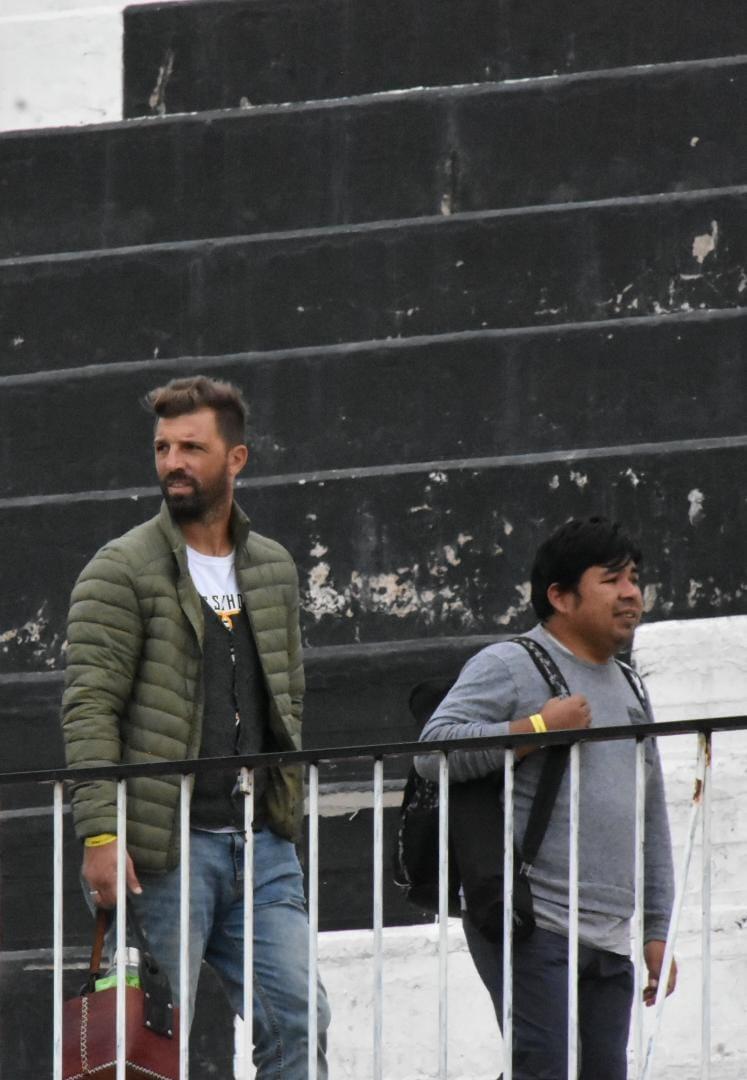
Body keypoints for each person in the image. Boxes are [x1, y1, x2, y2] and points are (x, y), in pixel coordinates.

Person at [61, 375, 330, 1078]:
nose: (172, 462)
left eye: (191, 447)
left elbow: (287, 699)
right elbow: (89, 706)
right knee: (145, 1040)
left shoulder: (270, 568)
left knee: (300, 1018)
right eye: (162, 447)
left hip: (261, 847)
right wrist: (100, 833)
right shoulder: (119, 569)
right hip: (163, 852)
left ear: (235, 459)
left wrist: (284, 813)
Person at [415, 517, 675, 1080]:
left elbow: (650, 811)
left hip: (611, 936)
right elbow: (431, 750)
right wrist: (535, 727)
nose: (632, 593)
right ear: (559, 595)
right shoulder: (510, 664)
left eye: (634, 578)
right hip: (533, 922)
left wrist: (658, 929)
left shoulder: (631, 686)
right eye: (612, 580)